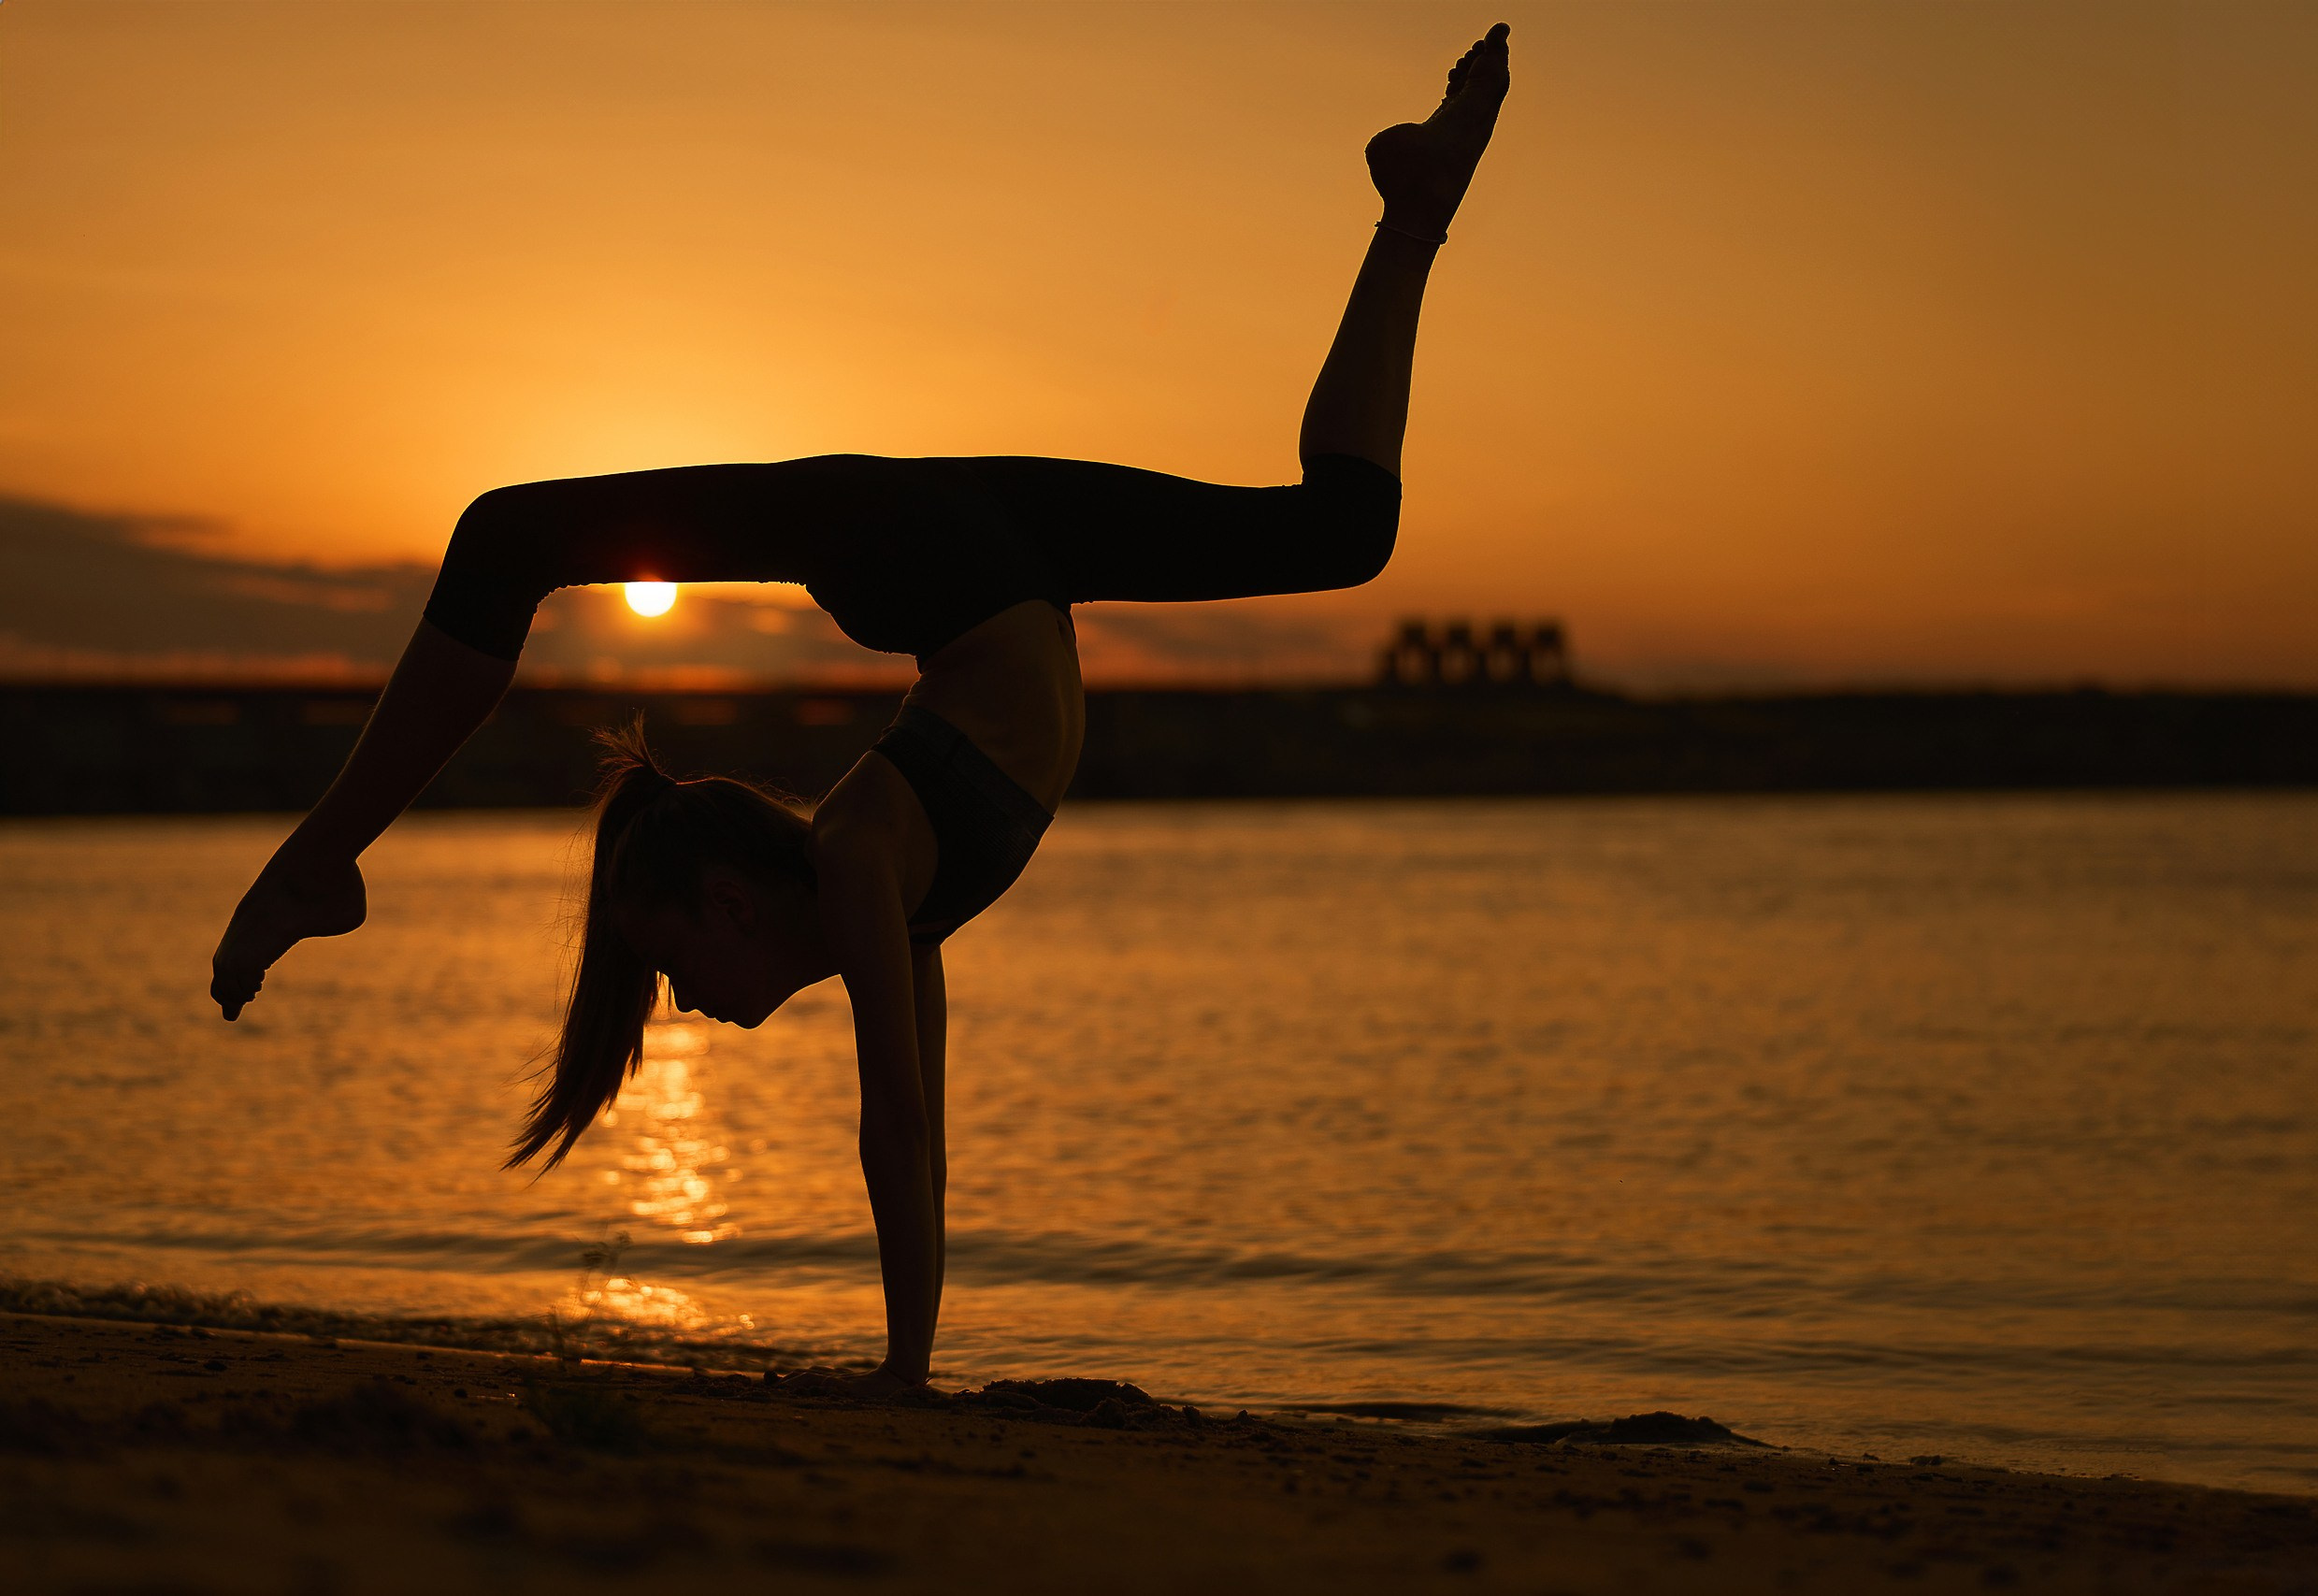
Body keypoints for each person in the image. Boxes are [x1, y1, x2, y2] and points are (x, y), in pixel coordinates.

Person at [209, 24, 1511, 1396]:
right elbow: (920, 1125)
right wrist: (910, 1371)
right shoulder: (885, 890)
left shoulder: (857, 858)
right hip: (991, 548)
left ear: (725, 902)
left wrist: (901, 1379)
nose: (690, 1009)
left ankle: (315, 858)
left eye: (668, 971)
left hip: (923, 545)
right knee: (1341, 532)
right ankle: (1415, 213)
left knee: (509, 539)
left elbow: (889, 1118)